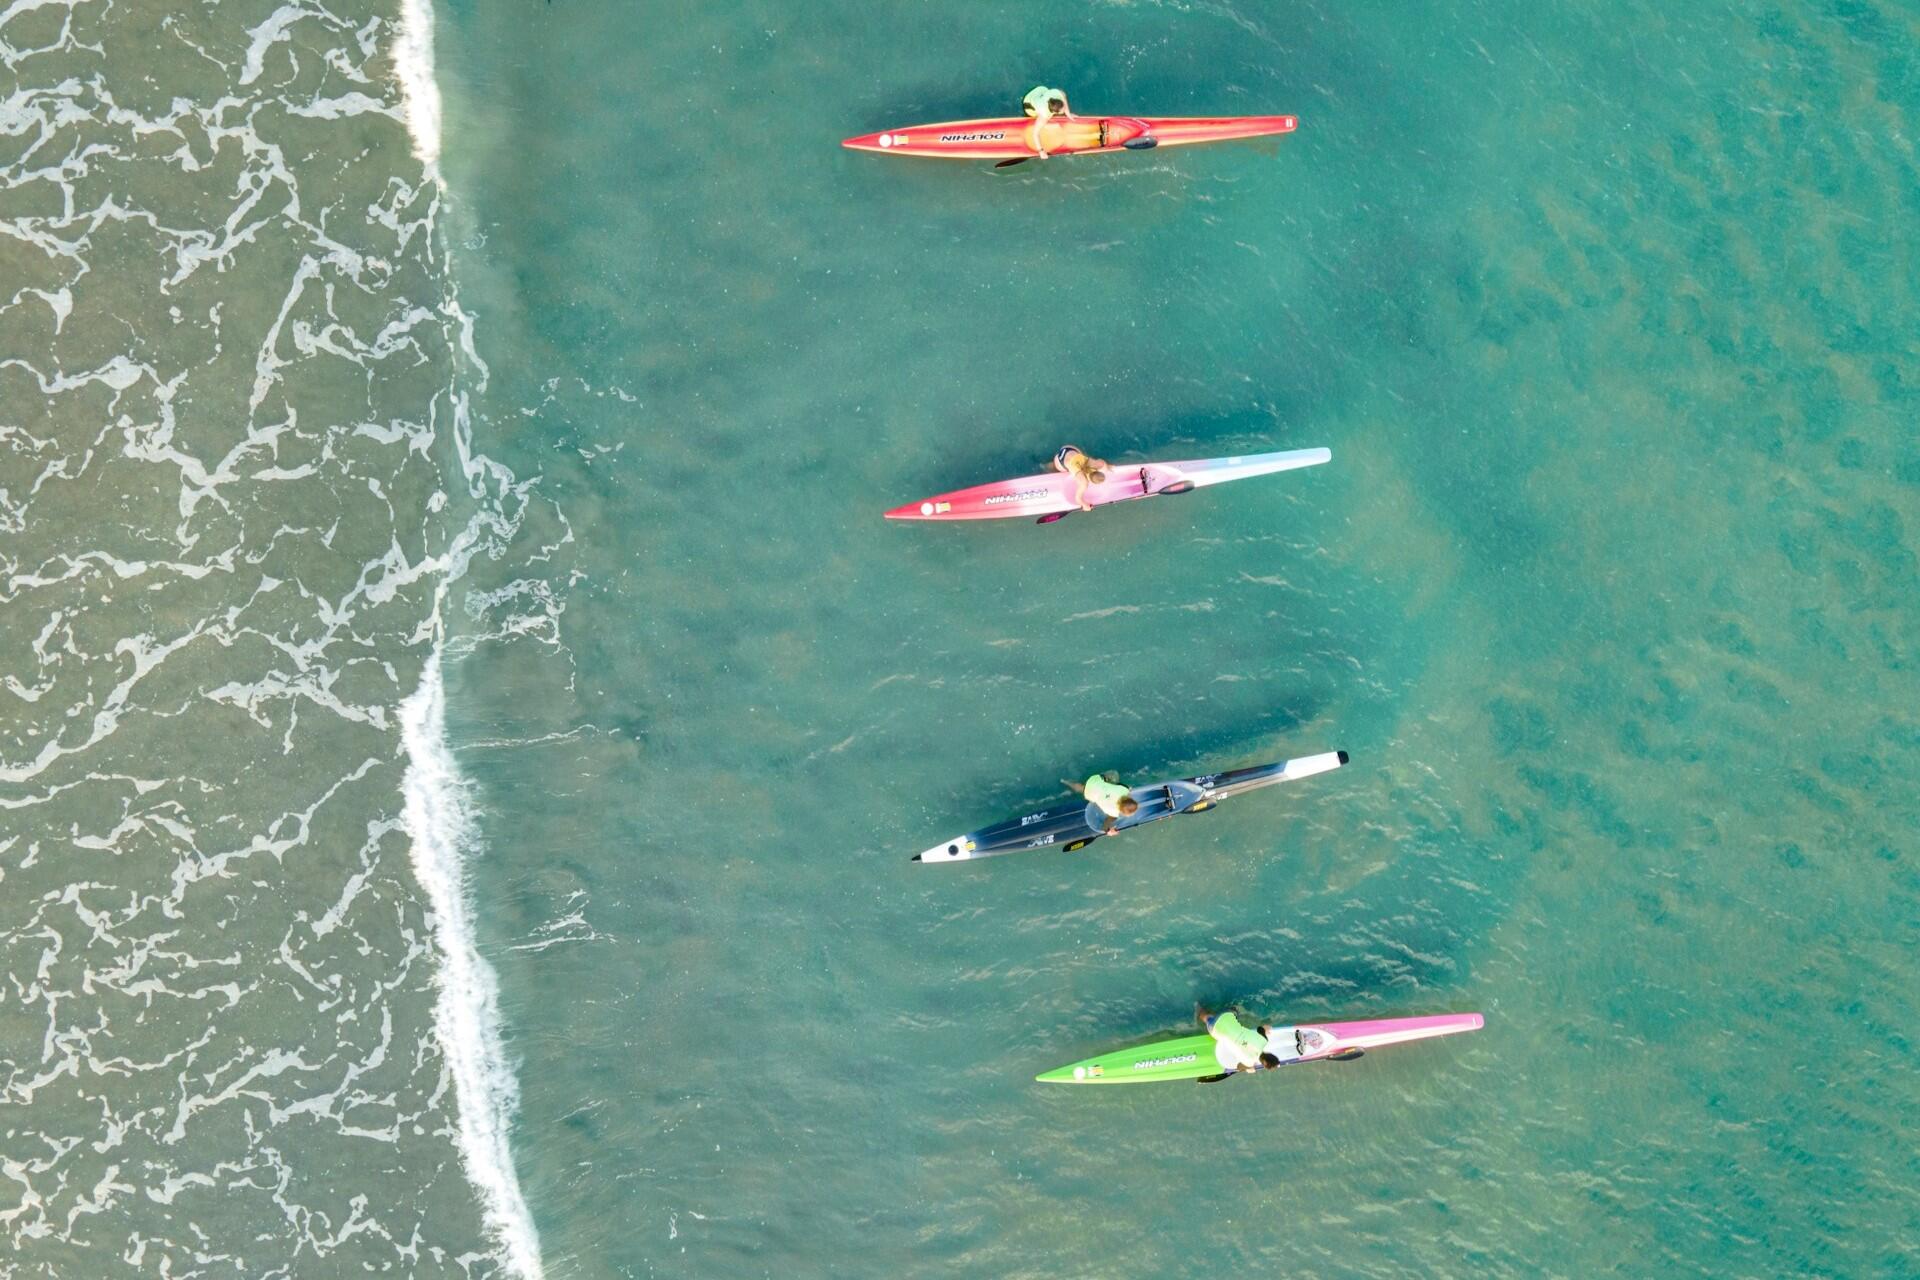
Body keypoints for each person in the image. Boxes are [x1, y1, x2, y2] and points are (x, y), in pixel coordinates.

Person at [1197, 1005, 1283, 1077]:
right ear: (1264, 1063)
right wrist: (1248, 1068)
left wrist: (1265, 1029)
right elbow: (1238, 1067)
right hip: (1215, 1030)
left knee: (1233, 1011)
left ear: (1271, 1054)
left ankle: (1204, 1008)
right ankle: (1200, 1011)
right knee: (1205, 1016)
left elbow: (1260, 1028)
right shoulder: (1249, 1062)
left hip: (1226, 1016)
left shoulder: (1263, 1040)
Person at [1062, 770, 1138, 833]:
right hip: (1089, 793)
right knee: (1081, 789)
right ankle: (1066, 782)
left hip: (1094, 780)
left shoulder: (1124, 790)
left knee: (1114, 774)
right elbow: (1105, 826)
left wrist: (1128, 790)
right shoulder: (1113, 814)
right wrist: (1109, 832)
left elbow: (1125, 788)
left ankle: (1064, 780)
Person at [1050, 445, 1109, 512]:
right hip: (1060, 461)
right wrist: (1085, 506)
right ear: (1091, 482)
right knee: (1052, 468)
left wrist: (1107, 467)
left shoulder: (1095, 464)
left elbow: (1102, 462)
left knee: (1082, 458)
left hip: (1069, 449)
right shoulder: (1084, 482)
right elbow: (1078, 498)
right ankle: (1047, 466)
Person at [1022, 85, 1072, 157]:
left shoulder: (1057, 94)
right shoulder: (1044, 115)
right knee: (1033, 116)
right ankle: (1034, 118)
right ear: (1055, 112)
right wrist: (1041, 151)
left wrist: (1068, 114)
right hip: (1028, 102)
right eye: (1063, 109)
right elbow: (1035, 134)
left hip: (1040, 90)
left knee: (1061, 102)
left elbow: (1063, 97)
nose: (1065, 108)